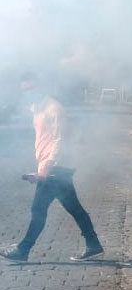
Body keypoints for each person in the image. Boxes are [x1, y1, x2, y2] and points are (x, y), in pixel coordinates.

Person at [0, 73, 103, 262]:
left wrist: (45, 168)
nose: (27, 94)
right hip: (54, 167)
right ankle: (93, 244)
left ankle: (23, 250)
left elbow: (59, 140)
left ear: (39, 88)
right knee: (75, 209)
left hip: (56, 167)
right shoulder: (37, 108)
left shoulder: (54, 108)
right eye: (24, 91)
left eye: (30, 90)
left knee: (38, 210)